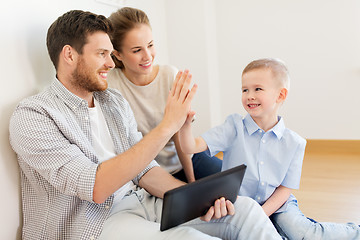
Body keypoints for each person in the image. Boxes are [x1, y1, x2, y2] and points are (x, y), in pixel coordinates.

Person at [9, 10, 283, 240]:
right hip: (96, 223)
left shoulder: (112, 101)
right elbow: (95, 187)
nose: (110, 62)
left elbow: (144, 169)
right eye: (102, 54)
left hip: (140, 200)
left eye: (110, 53)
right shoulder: (34, 115)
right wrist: (167, 125)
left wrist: (196, 199)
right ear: (69, 55)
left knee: (245, 208)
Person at [178, 58, 360, 240]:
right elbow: (190, 147)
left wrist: (260, 216)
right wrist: (185, 125)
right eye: (245, 89)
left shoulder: (295, 143)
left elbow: (285, 189)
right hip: (241, 207)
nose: (249, 95)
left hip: (279, 205)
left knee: (304, 234)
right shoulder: (233, 127)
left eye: (257, 89)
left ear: (280, 95)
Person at [106, 7, 222, 183]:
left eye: (150, 45)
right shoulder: (111, 84)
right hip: (147, 171)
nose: (148, 56)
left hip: (185, 159)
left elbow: (178, 133)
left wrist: (192, 182)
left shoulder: (169, 75)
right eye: (137, 50)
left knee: (235, 185)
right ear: (118, 54)